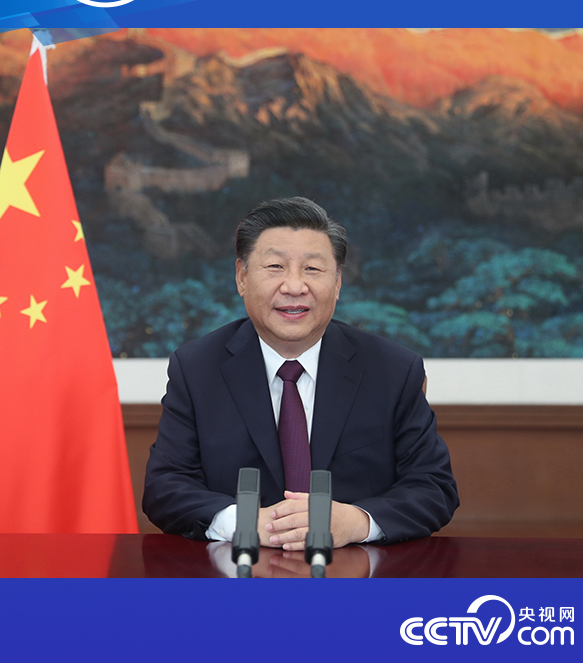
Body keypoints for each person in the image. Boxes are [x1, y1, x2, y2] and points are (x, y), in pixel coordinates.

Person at [143, 197, 458, 549]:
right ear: (242, 277)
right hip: (237, 573)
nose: (294, 286)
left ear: (337, 282)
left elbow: (434, 488)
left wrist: (357, 522)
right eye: (275, 266)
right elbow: (165, 487)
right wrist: (242, 522)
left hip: (355, 573)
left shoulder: (392, 370)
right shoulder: (197, 368)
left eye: (312, 269)